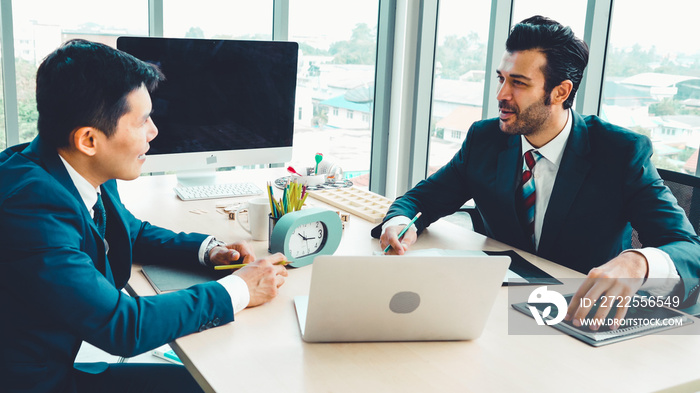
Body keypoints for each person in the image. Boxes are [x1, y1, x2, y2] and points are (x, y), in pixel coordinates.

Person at [373, 16, 700, 329]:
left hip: (579, 317)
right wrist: (401, 224)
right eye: (501, 78)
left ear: (559, 91)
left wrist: (637, 263)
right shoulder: (485, 140)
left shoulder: (619, 152)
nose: (501, 94)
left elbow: (688, 250)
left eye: (518, 83)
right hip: (495, 311)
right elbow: (422, 200)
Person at [0, 39, 289, 393]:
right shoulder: (31, 208)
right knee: (219, 383)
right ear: (89, 139)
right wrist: (238, 290)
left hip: (52, 364)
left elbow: (128, 232)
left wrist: (208, 249)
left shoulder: (70, 164)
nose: (153, 132)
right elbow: (123, 326)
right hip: (37, 383)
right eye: (142, 121)